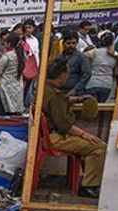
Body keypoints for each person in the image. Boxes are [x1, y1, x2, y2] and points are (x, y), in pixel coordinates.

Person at [41, 59, 107, 199]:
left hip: (48, 137)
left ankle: (88, 181)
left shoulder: (44, 89)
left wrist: (78, 99)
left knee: (91, 145)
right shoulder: (54, 95)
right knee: (99, 147)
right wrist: (84, 134)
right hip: (55, 138)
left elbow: (60, 102)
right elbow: (64, 125)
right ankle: (88, 186)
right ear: (62, 76)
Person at [0, 32, 26, 116]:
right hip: (17, 87)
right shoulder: (22, 55)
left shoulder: (7, 56)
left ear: (9, 44)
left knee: (3, 112)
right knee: (15, 113)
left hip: (5, 87)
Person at [84, 32, 118, 103]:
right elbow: (116, 72)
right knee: (103, 108)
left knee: (92, 108)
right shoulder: (115, 55)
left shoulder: (94, 52)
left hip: (92, 83)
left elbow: (83, 56)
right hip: (107, 84)